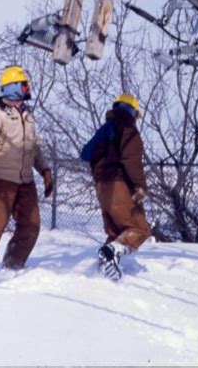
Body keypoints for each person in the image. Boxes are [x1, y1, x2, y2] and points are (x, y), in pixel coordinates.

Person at [0, 65, 53, 277]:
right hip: (1, 179)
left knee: (32, 225)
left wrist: (44, 170)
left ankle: (13, 263)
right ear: (13, 86)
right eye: (24, 83)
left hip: (25, 181)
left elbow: (33, 149)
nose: (28, 87)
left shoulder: (28, 115)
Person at [81, 93, 151, 281]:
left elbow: (85, 154)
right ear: (132, 112)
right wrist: (140, 186)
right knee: (139, 228)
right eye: (136, 116)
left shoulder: (105, 129)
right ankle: (111, 253)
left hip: (102, 188)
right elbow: (131, 160)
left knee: (116, 232)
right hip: (118, 185)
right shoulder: (128, 129)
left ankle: (104, 269)